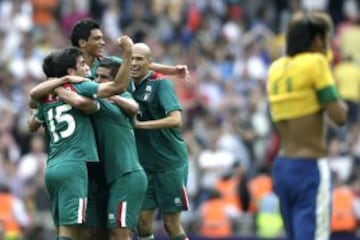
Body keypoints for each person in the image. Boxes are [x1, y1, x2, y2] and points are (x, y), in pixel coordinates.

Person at [28, 36, 133, 240]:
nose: (87, 68)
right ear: (70, 72)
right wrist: (127, 54)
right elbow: (118, 86)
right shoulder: (80, 86)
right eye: (82, 64)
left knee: (65, 230)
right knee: (69, 232)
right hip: (74, 165)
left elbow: (32, 125)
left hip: (53, 167)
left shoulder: (47, 95)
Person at [267, 12, 348, 240]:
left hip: (283, 166)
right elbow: (339, 116)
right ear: (317, 41)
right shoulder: (316, 63)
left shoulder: (276, 69)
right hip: (309, 167)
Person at [57, 58, 148, 240]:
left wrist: (57, 87)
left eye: (103, 77)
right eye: (96, 76)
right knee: (100, 233)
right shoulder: (105, 98)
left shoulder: (111, 101)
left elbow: (134, 106)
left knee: (119, 232)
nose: (97, 80)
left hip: (127, 174)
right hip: (107, 179)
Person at [131, 43, 189, 240]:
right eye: (131, 58)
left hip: (170, 163)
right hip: (145, 166)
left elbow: (176, 119)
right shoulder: (126, 84)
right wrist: (172, 69)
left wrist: (140, 126)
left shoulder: (161, 84)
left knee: (171, 224)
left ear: (150, 63)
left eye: (139, 59)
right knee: (142, 223)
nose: (133, 62)